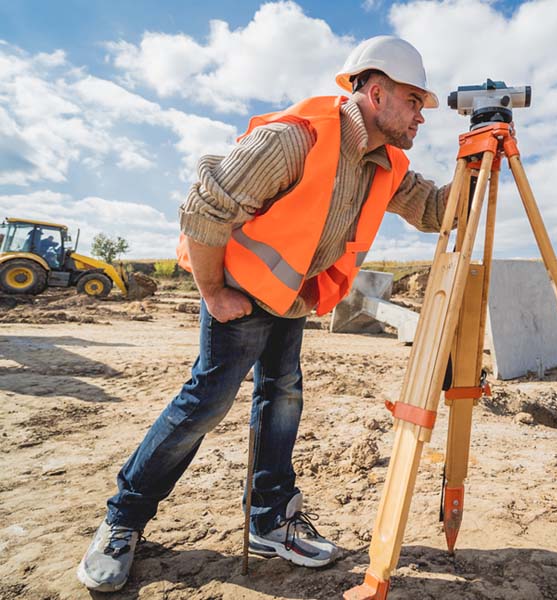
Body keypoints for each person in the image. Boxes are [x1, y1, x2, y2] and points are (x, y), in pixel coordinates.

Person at [77, 36, 449, 592]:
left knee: (282, 395)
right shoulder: (294, 140)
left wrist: (482, 160)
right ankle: (122, 520)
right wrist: (211, 291)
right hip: (239, 295)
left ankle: (270, 520)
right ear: (376, 93)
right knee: (205, 403)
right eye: (415, 101)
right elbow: (203, 207)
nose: (422, 116)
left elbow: (435, 210)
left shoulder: (385, 163)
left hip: (290, 298)